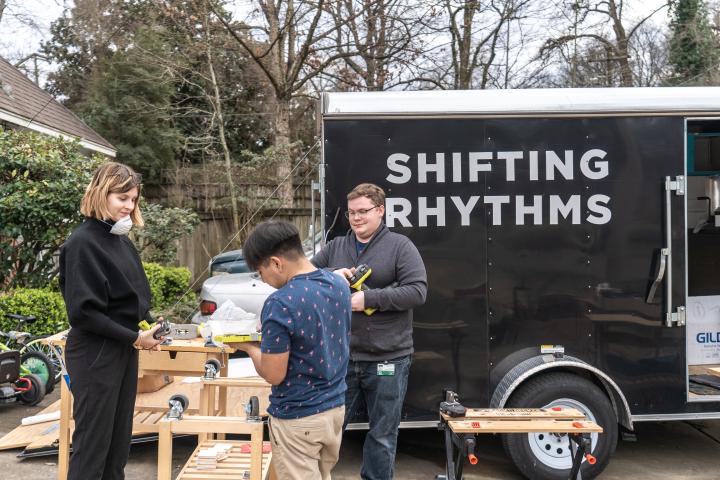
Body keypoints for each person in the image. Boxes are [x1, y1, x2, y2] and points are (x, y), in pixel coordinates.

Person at [311, 183, 427, 480]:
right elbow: (303, 278)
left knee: (383, 435)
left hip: (389, 357)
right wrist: (327, 276)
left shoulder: (400, 246)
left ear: (380, 210)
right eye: (351, 213)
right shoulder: (336, 247)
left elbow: (417, 291)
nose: (356, 218)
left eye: (363, 211)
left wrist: (368, 299)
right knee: (328, 430)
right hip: (343, 357)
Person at [59, 162, 164, 480]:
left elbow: (129, 299)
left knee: (117, 449)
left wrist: (150, 324)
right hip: (95, 354)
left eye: (133, 200)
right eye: (123, 198)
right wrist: (134, 338)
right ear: (101, 193)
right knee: (93, 449)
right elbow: (83, 313)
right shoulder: (82, 243)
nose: (129, 207)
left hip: (121, 351)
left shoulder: (121, 242)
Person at [231, 220, 351, 480]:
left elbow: (274, 374)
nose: (263, 280)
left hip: (298, 417)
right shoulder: (338, 284)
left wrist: (249, 347)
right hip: (334, 410)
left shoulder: (280, 302)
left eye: (260, 272)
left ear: (276, 263)